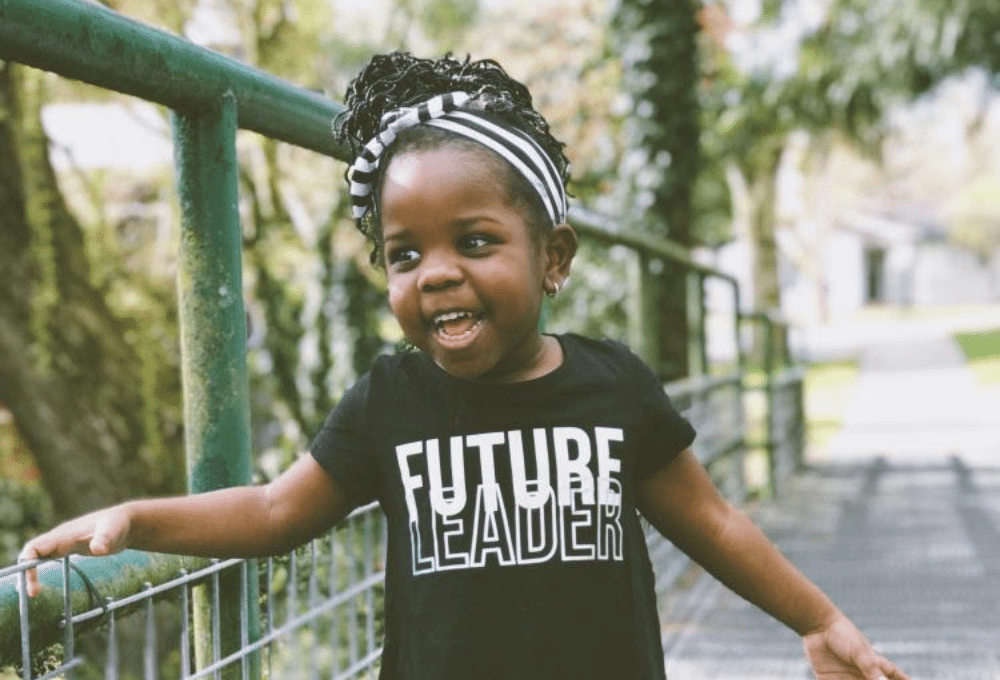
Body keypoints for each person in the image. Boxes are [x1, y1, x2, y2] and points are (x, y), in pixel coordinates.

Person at [20, 52, 909, 680]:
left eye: (475, 242)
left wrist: (819, 620)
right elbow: (271, 511)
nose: (436, 271)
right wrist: (137, 517)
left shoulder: (613, 387)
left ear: (552, 257)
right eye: (405, 256)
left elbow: (712, 523)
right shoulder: (387, 401)